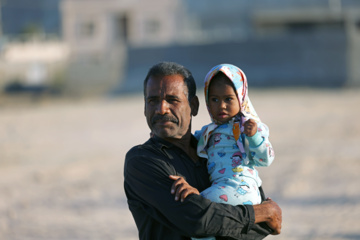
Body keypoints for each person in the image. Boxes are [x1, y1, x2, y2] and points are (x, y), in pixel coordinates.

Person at [124, 62, 282, 240]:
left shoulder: (214, 149)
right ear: (144, 108)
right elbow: (198, 220)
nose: (161, 109)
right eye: (152, 101)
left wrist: (257, 215)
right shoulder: (143, 161)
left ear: (194, 106)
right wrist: (261, 213)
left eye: (172, 100)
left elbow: (259, 225)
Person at [190, 64, 275, 240]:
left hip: (241, 189)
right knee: (204, 228)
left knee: (194, 211)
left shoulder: (248, 127)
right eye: (214, 99)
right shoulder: (208, 132)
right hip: (222, 190)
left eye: (228, 99)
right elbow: (188, 142)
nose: (221, 105)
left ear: (241, 98)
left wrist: (253, 137)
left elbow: (265, 159)